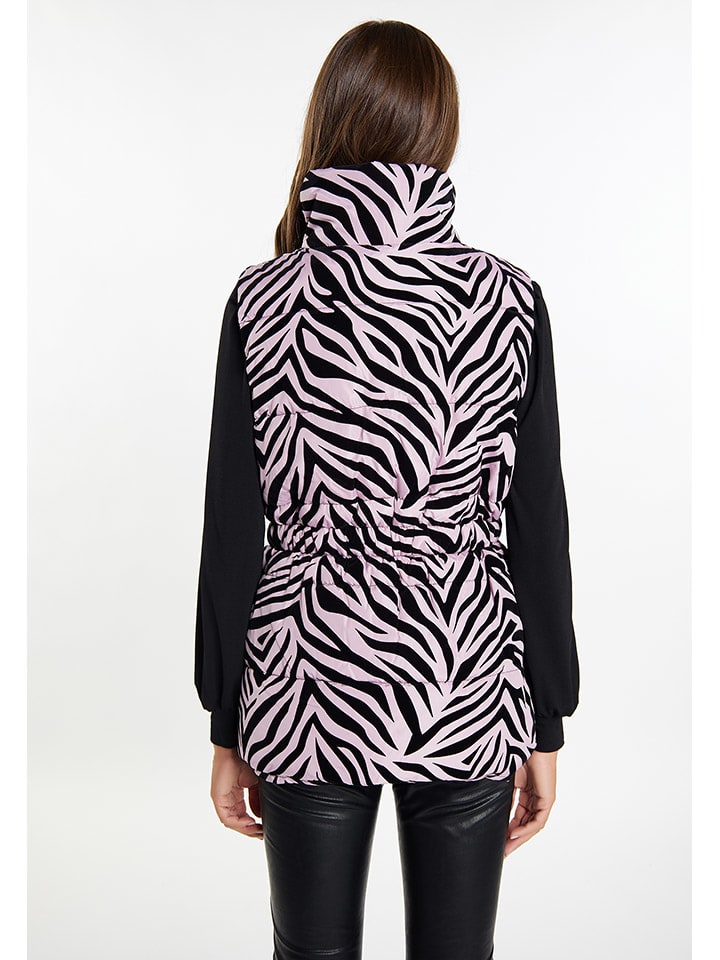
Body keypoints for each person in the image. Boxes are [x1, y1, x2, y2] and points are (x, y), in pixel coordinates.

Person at [194, 18, 580, 960]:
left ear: (326, 124)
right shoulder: (509, 299)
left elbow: (233, 529)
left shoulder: (260, 299)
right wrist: (546, 717)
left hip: (304, 681)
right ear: (440, 132)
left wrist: (227, 718)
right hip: (467, 674)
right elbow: (537, 526)